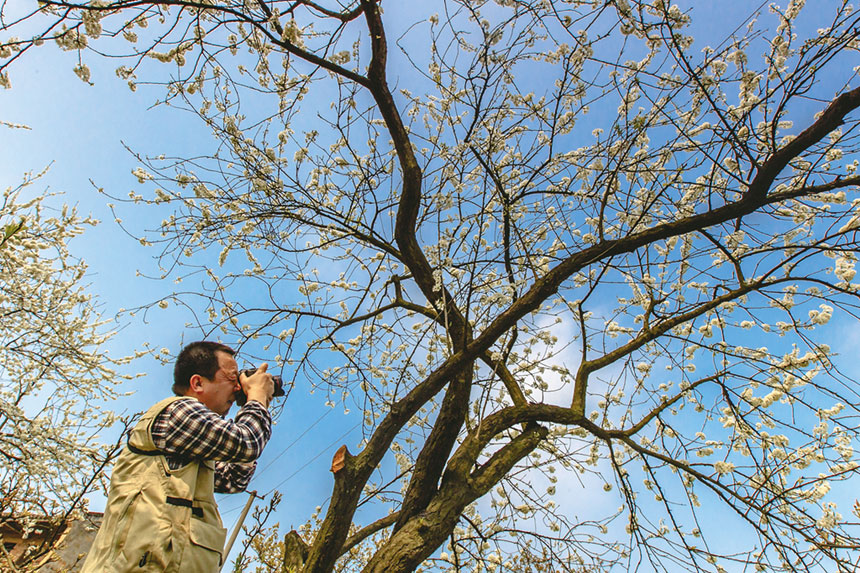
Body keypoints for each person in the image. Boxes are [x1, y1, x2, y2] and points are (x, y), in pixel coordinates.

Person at [82, 341, 275, 572]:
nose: (237, 388)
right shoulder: (178, 411)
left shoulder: (190, 444)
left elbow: (233, 480)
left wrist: (252, 403)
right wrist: (257, 397)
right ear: (197, 382)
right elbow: (246, 443)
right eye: (232, 379)